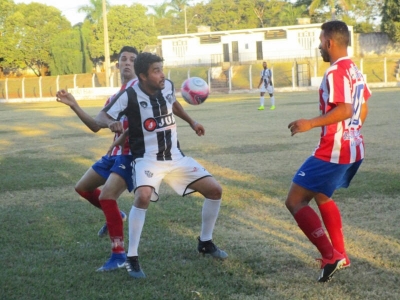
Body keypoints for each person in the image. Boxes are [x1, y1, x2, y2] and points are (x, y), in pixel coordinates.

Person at [95, 52, 227, 279]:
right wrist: (111, 122)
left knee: (215, 190)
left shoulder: (167, 86)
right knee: (143, 196)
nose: (161, 75)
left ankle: (205, 242)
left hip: (175, 157)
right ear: (143, 76)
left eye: (161, 69)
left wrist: (192, 121)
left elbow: (173, 104)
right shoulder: (130, 95)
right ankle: (132, 257)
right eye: (156, 71)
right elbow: (102, 115)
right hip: (146, 159)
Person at [286, 20, 371, 283]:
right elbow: (363, 107)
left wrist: (310, 123)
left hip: (333, 150)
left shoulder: (335, 72)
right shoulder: (354, 69)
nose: (319, 46)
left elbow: (345, 109)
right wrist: (352, 131)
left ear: (328, 42)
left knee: (295, 201)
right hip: (354, 147)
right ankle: (341, 255)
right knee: (322, 196)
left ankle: (330, 256)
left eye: (320, 41)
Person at [55, 46, 139, 272]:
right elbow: (95, 125)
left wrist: (123, 127)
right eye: (124, 59)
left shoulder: (141, 91)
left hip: (131, 154)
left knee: (108, 196)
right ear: (118, 65)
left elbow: (144, 124)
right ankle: (117, 215)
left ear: (138, 66)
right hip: (113, 153)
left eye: (132, 59)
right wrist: (74, 105)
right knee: (82, 188)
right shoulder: (114, 97)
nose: (128, 63)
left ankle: (119, 255)